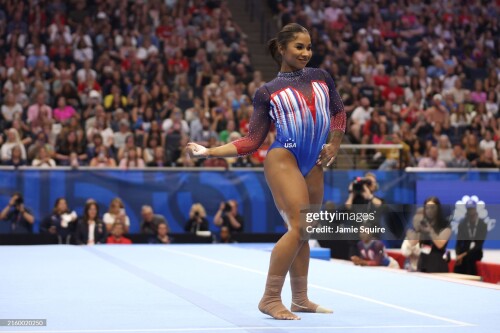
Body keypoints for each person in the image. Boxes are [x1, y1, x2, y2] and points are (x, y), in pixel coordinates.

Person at [187, 23, 346, 320]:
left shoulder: (322, 77)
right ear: (282, 49)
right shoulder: (267, 91)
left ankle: (300, 298)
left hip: (314, 160)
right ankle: (270, 298)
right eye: (299, 47)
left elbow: (338, 112)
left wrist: (334, 144)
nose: (306, 52)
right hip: (284, 157)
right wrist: (209, 151)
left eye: (309, 47)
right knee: (298, 228)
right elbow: (252, 141)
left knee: (304, 231)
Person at [411, 197, 451, 273]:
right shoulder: (423, 223)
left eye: (432, 208)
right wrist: (417, 228)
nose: (430, 211)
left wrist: (430, 230)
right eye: (427, 208)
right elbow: (413, 242)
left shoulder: (445, 225)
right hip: (423, 261)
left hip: (437, 263)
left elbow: (440, 244)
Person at [454, 200, 487, 275]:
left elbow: (479, 245)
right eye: (469, 209)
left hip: (475, 253)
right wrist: (458, 254)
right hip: (464, 252)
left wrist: (463, 255)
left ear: (475, 209)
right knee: (458, 265)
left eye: (472, 209)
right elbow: (458, 242)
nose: (470, 211)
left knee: (470, 260)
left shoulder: (482, 225)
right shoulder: (462, 224)